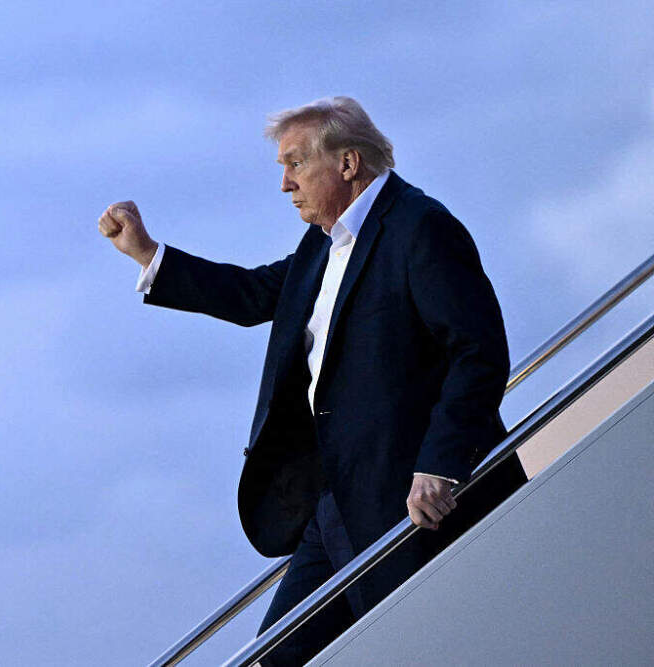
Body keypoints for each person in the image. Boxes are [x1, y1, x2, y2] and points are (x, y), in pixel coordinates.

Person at [98, 96, 527, 666]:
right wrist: (149, 255)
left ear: (348, 164)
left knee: (412, 650)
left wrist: (440, 466)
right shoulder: (323, 244)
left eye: (295, 164)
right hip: (333, 506)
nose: (284, 183)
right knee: (273, 658)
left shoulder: (420, 227)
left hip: (407, 501)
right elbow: (254, 295)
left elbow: (477, 352)